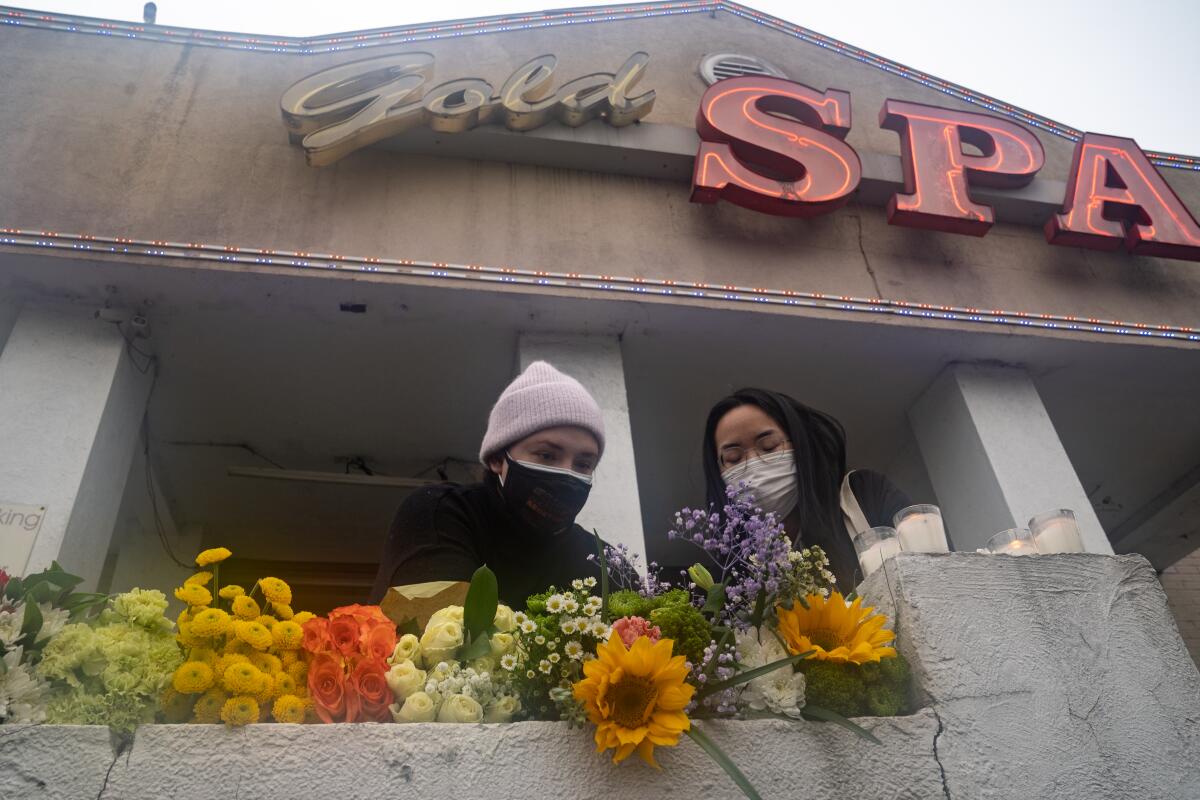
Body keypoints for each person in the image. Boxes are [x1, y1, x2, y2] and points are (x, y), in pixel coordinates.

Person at [371, 361, 605, 607]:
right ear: (496, 458)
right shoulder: (442, 514)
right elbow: (438, 631)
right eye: (546, 455)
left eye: (583, 464)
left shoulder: (601, 560)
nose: (566, 475)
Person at [702, 388, 912, 590]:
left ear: (799, 442)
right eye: (734, 458)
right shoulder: (735, 566)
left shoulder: (865, 494)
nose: (753, 464)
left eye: (769, 446)